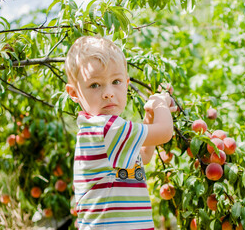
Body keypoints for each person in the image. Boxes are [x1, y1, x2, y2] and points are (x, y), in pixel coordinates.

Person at [65, 36, 176, 230]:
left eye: (116, 81)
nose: (108, 92)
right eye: (95, 85)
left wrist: (150, 115)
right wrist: (160, 102)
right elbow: (165, 132)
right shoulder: (107, 128)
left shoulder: (99, 129)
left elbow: (143, 156)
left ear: (126, 82)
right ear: (74, 93)